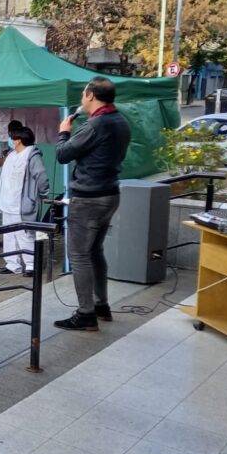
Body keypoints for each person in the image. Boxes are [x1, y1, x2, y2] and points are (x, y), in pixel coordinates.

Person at [54, 77, 131, 332]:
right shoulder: (120, 121)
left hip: (89, 198)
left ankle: (86, 313)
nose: (81, 99)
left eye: (83, 94)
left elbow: (63, 154)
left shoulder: (96, 124)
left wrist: (64, 132)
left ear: (90, 96)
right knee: (95, 251)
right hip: (110, 193)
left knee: (78, 255)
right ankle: (101, 305)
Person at [0, 127, 49, 277]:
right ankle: (13, 264)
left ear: (18, 140)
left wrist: (43, 193)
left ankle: (32, 265)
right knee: (9, 235)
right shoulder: (12, 154)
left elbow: (41, 176)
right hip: (7, 203)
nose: (10, 141)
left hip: (22, 205)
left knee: (24, 235)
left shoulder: (32, 156)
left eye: (12, 138)